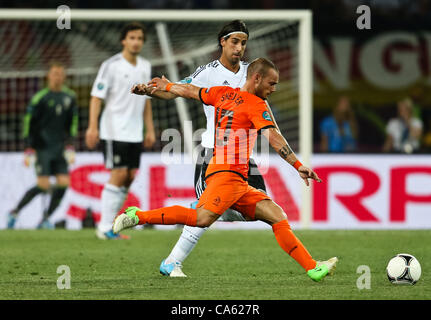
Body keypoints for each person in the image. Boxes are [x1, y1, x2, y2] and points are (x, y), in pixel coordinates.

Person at [116, 58, 338, 282]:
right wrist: (298, 166)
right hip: (227, 175)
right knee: (201, 218)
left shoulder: (221, 93)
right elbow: (273, 137)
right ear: (256, 78)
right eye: (271, 84)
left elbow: (192, 91)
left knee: (276, 215)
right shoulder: (256, 104)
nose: (273, 89)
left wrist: (169, 86)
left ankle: (312, 267)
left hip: (234, 176)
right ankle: (138, 216)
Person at [132, 20, 274, 277]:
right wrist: (149, 91)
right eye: (234, 42)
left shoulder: (250, 73)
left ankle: (204, 209)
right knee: (205, 214)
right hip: (213, 153)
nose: (239, 48)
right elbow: (176, 90)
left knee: (264, 208)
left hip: (243, 157)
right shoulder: (207, 72)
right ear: (223, 42)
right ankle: (172, 261)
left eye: (243, 43)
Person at [85, 22, 156, 240]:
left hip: (135, 131)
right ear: (123, 41)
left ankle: (110, 225)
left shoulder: (145, 65)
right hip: (113, 130)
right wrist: (92, 126)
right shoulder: (111, 65)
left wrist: (150, 129)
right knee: (118, 173)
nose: (136, 42)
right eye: (132, 38)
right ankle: (104, 227)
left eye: (140, 38)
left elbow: (146, 101)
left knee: (130, 175)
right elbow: (97, 97)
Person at [7, 62, 78, 229]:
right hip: (42, 147)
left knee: (63, 183)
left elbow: (73, 122)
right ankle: (15, 212)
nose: (57, 77)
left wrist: (70, 144)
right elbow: (28, 122)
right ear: (48, 76)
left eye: (60, 74)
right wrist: (28, 146)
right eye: (54, 74)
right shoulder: (40, 98)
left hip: (60, 148)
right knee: (43, 185)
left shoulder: (70, 97)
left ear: (64, 77)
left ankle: (46, 218)